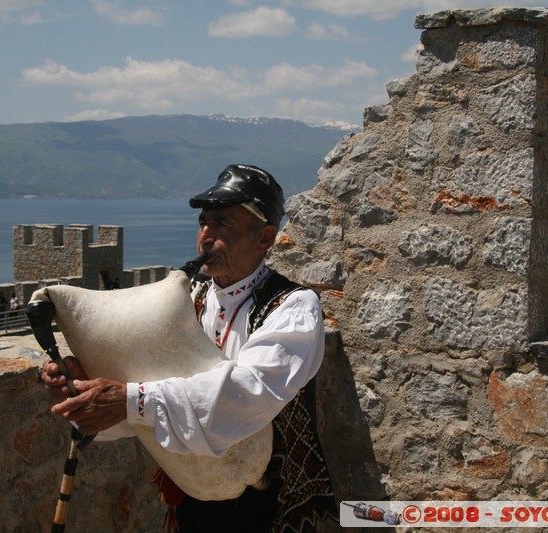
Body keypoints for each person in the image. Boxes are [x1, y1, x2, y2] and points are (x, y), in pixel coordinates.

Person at [41, 164, 336, 532]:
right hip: (192, 493)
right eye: (203, 223)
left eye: (223, 223)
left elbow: (249, 391)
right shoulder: (189, 297)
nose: (206, 237)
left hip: (269, 503)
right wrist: (86, 386)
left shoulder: (293, 306)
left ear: (265, 238)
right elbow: (142, 384)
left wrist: (131, 399)